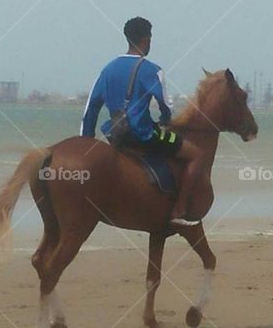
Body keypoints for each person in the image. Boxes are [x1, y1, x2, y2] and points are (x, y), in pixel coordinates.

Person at [80, 17, 204, 226]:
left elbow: (91, 109)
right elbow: (165, 106)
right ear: (147, 39)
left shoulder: (108, 69)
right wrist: (166, 120)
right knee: (196, 155)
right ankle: (180, 209)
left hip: (116, 135)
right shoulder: (152, 69)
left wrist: (86, 142)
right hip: (144, 134)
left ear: (127, 38)